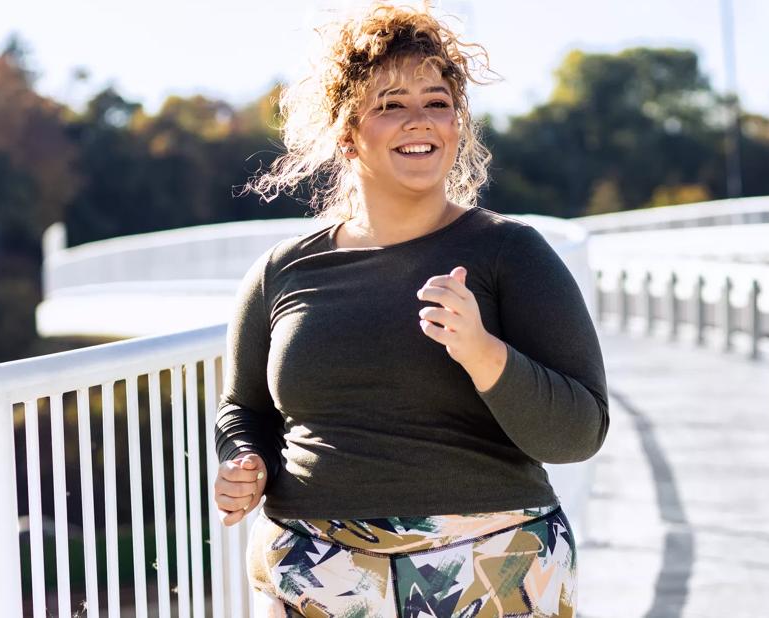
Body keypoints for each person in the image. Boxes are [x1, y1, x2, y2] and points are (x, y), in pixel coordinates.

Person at [212, 3, 608, 615]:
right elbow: (244, 409)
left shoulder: (510, 252)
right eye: (390, 104)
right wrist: (246, 461)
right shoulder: (280, 272)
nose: (419, 120)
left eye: (438, 101)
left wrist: (483, 353)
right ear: (347, 131)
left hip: (488, 568)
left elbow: (580, 431)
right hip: (313, 573)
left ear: (459, 123)